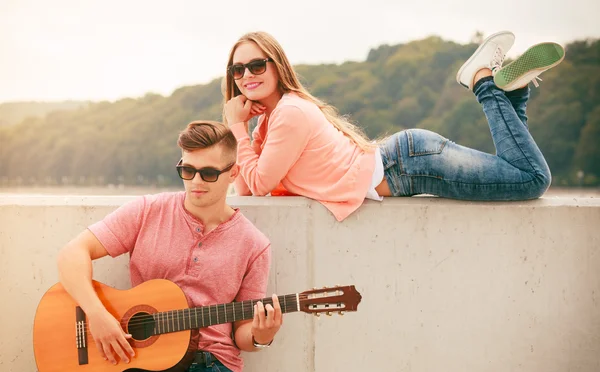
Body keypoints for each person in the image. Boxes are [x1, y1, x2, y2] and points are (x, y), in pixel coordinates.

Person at [223, 31, 565, 222]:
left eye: (255, 65)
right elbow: (247, 188)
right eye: (238, 70)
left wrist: (236, 129)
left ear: (276, 66)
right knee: (520, 171)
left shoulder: (289, 114)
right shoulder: (269, 123)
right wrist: (245, 130)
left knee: (531, 178)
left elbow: (260, 182)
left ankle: (481, 81)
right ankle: (514, 91)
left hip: (410, 164)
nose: (247, 76)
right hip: (407, 163)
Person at [57, 121, 282, 372]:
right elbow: (72, 253)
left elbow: (242, 335)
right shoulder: (148, 211)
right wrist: (97, 315)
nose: (195, 182)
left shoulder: (255, 244)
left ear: (233, 173)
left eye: (209, 173)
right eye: (187, 170)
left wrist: (262, 336)